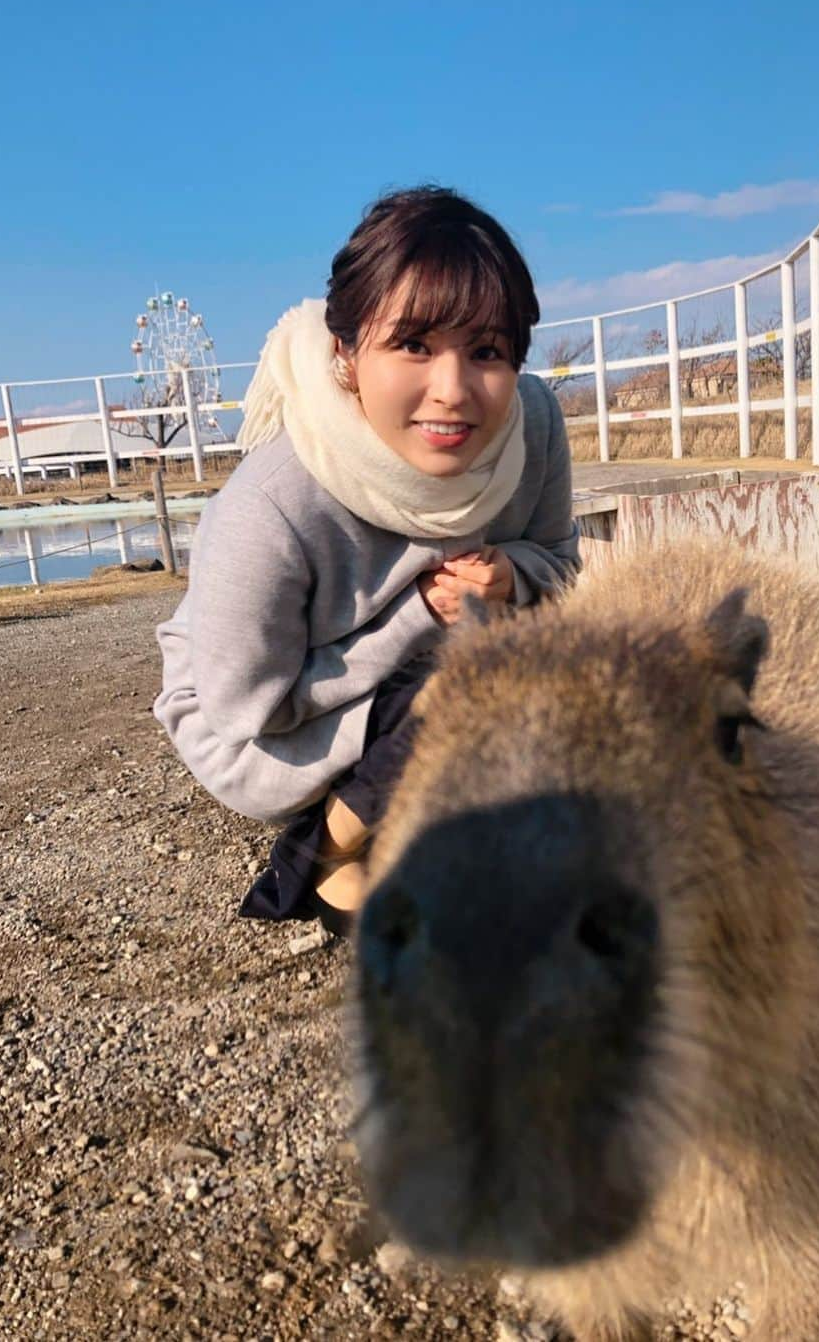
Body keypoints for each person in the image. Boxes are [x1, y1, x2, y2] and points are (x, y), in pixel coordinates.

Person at [153, 186, 581, 934]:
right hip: (264, 728)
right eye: (413, 344)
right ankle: (328, 842)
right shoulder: (275, 504)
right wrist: (416, 617)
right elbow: (246, 706)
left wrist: (515, 575)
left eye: (486, 351)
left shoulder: (533, 424)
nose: (452, 393)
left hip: (428, 675)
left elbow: (561, 564)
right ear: (347, 354)